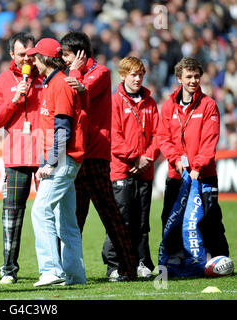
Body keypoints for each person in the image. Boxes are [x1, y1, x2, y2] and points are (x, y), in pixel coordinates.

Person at [60, 31, 138, 281]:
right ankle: (71, 269)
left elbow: (77, 94)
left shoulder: (101, 73)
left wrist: (76, 71)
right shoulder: (74, 72)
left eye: (66, 54)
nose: (63, 59)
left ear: (80, 54)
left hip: (95, 154)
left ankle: (129, 266)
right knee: (75, 216)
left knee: (109, 214)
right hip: (78, 153)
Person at [26, 38, 88, 287]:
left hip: (62, 159)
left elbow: (63, 129)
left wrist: (50, 162)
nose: (32, 61)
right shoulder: (53, 83)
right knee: (67, 222)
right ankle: (75, 275)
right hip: (64, 158)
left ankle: (51, 270)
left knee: (40, 211)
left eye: (35, 57)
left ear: (45, 59)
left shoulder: (59, 85)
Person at [0, 32, 44, 285]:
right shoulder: (3, 81)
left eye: (30, 54)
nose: (26, 59)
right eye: (21, 55)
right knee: (12, 216)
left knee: (51, 214)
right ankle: (8, 270)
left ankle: (53, 269)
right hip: (17, 157)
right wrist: (14, 99)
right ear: (12, 55)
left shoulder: (48, 77)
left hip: (45, 157)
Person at [157, 56, 229, 260]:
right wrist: (176, 161)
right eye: (189, 76)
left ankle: (218, 259)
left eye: (197, 76)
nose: (193, 81)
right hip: (177, 174)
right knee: (171, 219)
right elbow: (163, 137)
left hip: (204, 175)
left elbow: (210, 140)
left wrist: (196, 167)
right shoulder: (168, 106)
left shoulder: (208, 105)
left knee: (210, 219)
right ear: (179, 78)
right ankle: (176, 261)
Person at [102, 57, 160, 279]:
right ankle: (114, 266)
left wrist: (147, 157)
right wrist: (135, 157)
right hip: (121, 169)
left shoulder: (150, 102)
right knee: (121, 219)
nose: (137, 79)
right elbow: (113, 136)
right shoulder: (115, 101)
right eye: (133, 74)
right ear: (123, 75)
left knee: (142, 221)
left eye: (141, 74)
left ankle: (141, 262)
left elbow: (159, 135)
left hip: (145, 169)